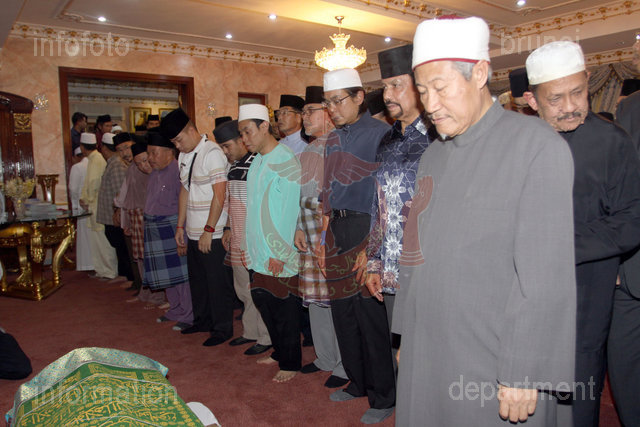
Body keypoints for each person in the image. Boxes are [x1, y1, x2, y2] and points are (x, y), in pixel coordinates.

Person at [393, 17, 577, 426]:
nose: (430, 104)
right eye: (422, 90)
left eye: (441, 88)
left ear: (479, 73)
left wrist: (524, 369)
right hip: (429, 342)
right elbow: (414, 249)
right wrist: (406, 332)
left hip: (494, 357)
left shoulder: (537, 146)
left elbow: (545, 278)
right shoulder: (433, 154)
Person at [524, 40, 640, 427]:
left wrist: (559, 247)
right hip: (524, 289)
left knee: (577, 390)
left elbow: (631, 220)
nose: (571, 106)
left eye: (578, 92)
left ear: (589, 81)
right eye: (556, 98)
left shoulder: (612, 142)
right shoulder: (518, 143)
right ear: (532, 99)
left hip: (586, 289)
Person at [317, 68, 395, 425]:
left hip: (367, 227)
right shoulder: (332, 139)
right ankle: (357, 381)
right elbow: (326, 193)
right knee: (343, 312)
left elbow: (386, 198)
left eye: (338, 101)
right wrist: (323, 240)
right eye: (328, 103)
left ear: (359, 97)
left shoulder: (382, 134)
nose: (332, 109)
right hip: (336, 228)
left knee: (369, 315)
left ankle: (384, 395)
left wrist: (373, 247)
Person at [363, 44, 433, 333]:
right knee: (397, 347)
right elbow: (377, 205)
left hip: (427, 268)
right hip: (391, 269)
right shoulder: (387, 140)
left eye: (396, 85)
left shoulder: (438, 138)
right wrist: (373, 262)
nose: (387, 95)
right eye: (384, 87)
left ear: (419, 87)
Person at [160, 108, 234, 347]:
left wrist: (209, 230)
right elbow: (185, 189)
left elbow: (220, 193)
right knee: (199, 281)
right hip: (192, 230)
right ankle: (202, 320)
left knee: (217, 283)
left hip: (212, 232)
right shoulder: (184, 155)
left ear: (191, 130)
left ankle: (222, 329)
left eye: (178, 140)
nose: (177, 146)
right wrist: (180, 226)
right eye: (173, 143)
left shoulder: (212, 153)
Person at [239, 103, 301, 383]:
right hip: (258, 250)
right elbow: (252, 209)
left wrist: (280, 253)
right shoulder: (257, 160)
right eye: (242, 134)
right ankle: (279, 352)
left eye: (248, 132)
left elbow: (289, 211)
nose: (245, 139)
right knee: (264, 304)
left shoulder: (285, 158)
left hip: (277, 252)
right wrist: (247, 246)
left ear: (264, 126)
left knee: (283, 310)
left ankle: (291, 362)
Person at [292, 85, 348, 388]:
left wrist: (324, 232)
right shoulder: (308, 149)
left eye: (309, 111)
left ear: (328, 112)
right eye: (303, 112)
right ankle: (325, 357)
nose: (304, 117)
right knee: (315, 298)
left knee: (335, 298)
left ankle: (344, 363)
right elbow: (301, 196)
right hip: (308, 225)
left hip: (331, 227)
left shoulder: (341, 143)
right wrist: (298, 226)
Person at [216, 119, 272, 355]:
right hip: (237, 237)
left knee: (258, 290)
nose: (225, 152)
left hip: (255, 239)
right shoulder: (234, 166)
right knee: (242, 289)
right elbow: (230, 202)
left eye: (227, 146)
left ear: (241, 140)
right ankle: (250, 332)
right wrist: (228, 228)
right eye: (222, 147)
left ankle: (266, 337)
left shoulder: (256, 163)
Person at [608, 38, 640, 427]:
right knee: (625, 367)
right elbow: (621, 188)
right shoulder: (630, 108)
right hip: (631, 269)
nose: (634, 56)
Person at [144, 132, 194, 331]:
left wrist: (182, 235)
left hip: (173, 228)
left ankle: (188, 315)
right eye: (149, 153)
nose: (150, 158)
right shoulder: (155, 172)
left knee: (182, 277)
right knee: (166, 277)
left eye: (154, 153)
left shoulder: (177, 171)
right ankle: (175, 309)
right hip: (155, 228)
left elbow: (185, 205)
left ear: (169, 152)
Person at [79, 132, 118, 280]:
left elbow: (93, 182)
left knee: (102, 243)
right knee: (98, 242)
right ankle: (102, 270)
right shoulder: (94, 159)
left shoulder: (96, 159)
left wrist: (86, 200)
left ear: (82, 147)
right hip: (95, 206)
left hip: (96, 207)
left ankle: (109, 271)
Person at [97, 133, 134, 284]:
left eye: (127, 147)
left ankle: (131, 278)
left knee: (125, 247)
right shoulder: (121, 163)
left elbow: (120, 191)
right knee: (121, 246)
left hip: (122, 215)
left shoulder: (118, 165)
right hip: (116, 213)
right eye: (120, 150)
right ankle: (127, 276)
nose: (124, 153)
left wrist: (118, 211)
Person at [68, 145, 93, 271]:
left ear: (76, 157)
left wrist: (75, 206)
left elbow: (73, 189)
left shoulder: (77, 167)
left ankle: (88, 265)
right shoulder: (95, 164)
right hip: (93, 206)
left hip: (81, 207)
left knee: (85, 238)